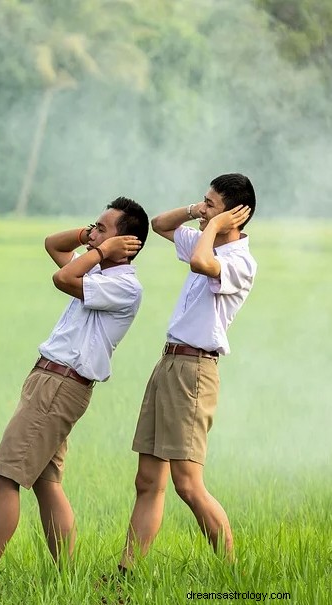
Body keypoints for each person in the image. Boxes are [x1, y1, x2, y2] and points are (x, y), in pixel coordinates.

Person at [0, 197, 149, 568]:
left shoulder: (123, 286)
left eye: (103, 228)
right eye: (94, 226)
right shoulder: (98, 272)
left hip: (60, 385)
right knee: (45, 482)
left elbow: (62, 278)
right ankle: (67, 576)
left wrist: (101, 250)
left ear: (126, 243)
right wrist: (93, 237)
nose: (92, 235)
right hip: (51, 381)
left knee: (5, 477)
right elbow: (53, 244)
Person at [119, 173, 256, 571]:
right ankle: (126, 574)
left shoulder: (239, 261)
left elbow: (200, 262)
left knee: (188, 484)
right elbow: (160, 224)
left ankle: (232, 575)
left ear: (234, 215)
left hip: (195, 370)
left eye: (211, 203)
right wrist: (201, 213)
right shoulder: (204, 237)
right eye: (204, 202)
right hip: (169, 363)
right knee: (147, 480)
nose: (202, 209)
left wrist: (214, 225)